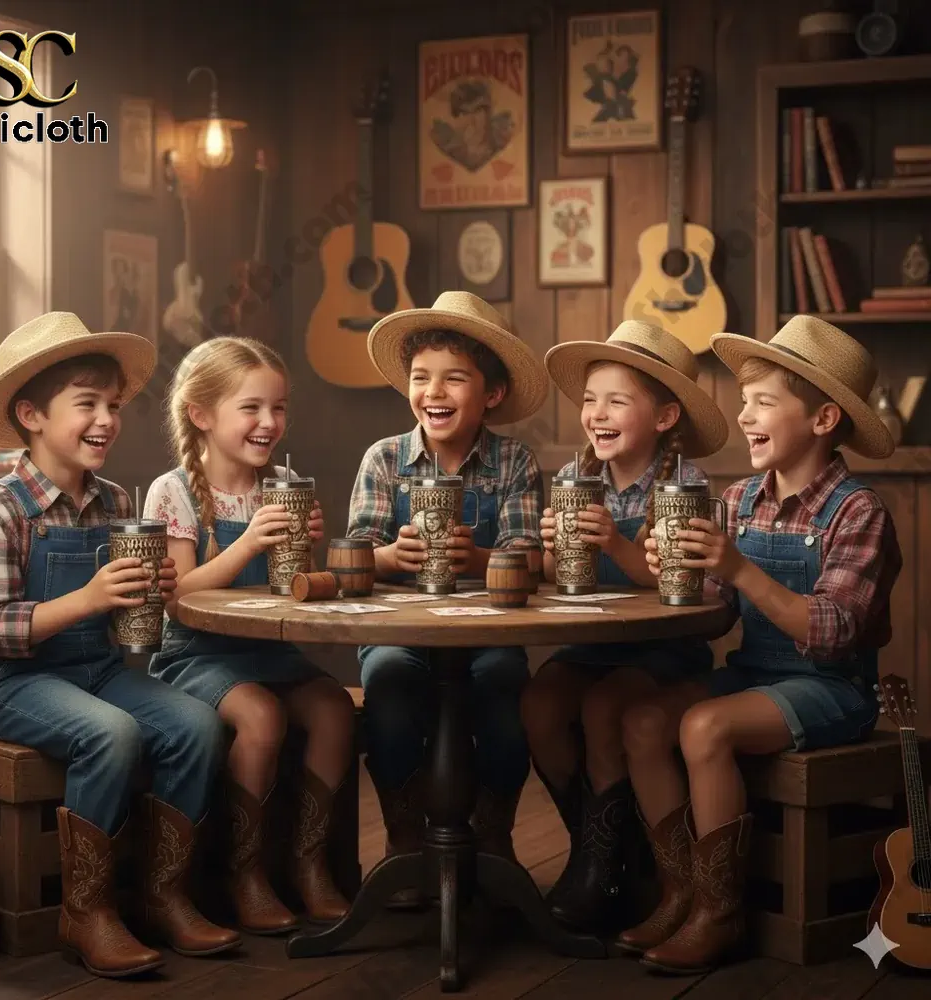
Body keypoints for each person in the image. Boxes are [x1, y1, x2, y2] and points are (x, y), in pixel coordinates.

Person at [0, 312, 239, 978]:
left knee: (197, 724)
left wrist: (154, 591)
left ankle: (165, 893)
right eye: (87, 404)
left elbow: (126, 628)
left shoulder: (115, 501)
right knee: (111, 734)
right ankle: (87, 910)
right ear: (31, 414)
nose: (106, 419)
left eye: (112, 405)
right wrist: (87, 597)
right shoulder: (0, 510)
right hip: (13, 683)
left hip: (99, 669)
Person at [624, 316, 902, 973]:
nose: (744, 414)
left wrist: (740, 567)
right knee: (642, 721)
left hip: (832, 689)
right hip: (755, 677)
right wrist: (673, 570)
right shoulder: (739, 497)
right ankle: (681, 890)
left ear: (825, 418)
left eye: (764, 402)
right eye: (744, 400)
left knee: (703, 726)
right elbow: (719, 617)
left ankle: (720, 913)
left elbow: (833, 632)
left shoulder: (859, 512)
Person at [520, 321, 729, 934]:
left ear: (664, 417)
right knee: (537, 704)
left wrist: (612, 538)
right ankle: (598, 848)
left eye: (616, 400)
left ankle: (603, 871)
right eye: (589, 399)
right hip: (592, 645)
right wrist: (555, 551)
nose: (596, 413)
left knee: (606, 707)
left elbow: (670, 583)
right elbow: (561, 578)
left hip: (662, 652)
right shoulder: (572, 477)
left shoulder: (682, 485)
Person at [146, 336, 355, 934]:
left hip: (271, 649)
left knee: (336, 709)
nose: (270, 422)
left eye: (280, 408)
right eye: (252, 408)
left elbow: (293, 584)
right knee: (262, 717)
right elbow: (180, 594)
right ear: (202, 415)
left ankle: (310, 864)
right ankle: (246, 872)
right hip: (195, 656)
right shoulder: (174, 491)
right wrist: (248, 542)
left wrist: (308, 546)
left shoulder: (282, 481)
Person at [347, 291, 547, 907]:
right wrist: (387, 558)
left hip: (487, 634)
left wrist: (482, 561)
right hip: (400, 630)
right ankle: (405, 835)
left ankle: (493, 832)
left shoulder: (514, 462)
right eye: (421, 377)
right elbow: (355, 554)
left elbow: (532, 558)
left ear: (491, 394)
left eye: (454, 378)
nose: (434, 391)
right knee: (386, 679)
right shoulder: (384, 458)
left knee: (508, 687)